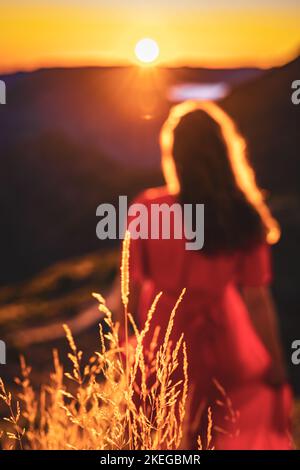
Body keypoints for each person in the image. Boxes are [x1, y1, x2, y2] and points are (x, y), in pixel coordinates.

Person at [126, 101, 293, 450]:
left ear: (174, 155)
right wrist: (276, 364)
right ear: (222, 152)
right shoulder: (241, 215)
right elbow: (257, 300)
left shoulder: (147, 207)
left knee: (165, 436)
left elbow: (129, 288)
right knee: (220, 432)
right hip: (224, 341)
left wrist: (125, 348)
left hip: (163, 337)